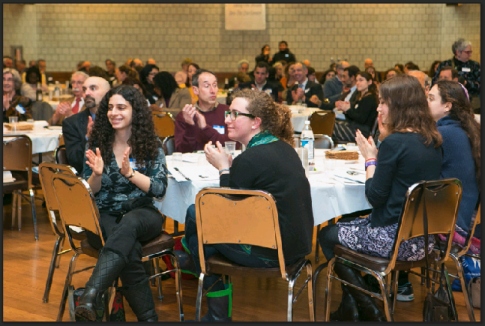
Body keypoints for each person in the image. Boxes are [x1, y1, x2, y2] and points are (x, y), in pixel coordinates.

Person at [180, 88, 314, 322]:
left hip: (271, 253)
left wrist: (224, 168)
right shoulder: (283, 147)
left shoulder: (249, 158)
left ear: (256, 122)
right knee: (205, 240)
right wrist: (232, 169)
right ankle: (193, 261)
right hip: (297, 247)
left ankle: (194, 267)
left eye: (235, 114)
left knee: (197, 216)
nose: (227, 120)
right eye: (228, 113)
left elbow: (224, 212)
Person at [318, 74, 443, 321]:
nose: (378, 107)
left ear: (398, 105)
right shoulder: (432, 139)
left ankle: (369, 307)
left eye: (382, 102)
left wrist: (371, 159)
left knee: (327, 235)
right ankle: (351, 307)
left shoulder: (395, 142)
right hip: (424, 237)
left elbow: (374, 196)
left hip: (394, 239)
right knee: (346, 224)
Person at [74, 85, 167, 322]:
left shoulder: (151, 145)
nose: (114, 112)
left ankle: (91, 293)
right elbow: (89, 192)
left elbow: (158, 189)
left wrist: (130, 173)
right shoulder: (97, 144)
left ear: (136, 112)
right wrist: (95, 174)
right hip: (104, 215)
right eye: (111, 107)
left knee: (130, 223)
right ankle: (148, 318)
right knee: (130, 250)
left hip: (143, 214)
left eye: (122, 107)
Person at [427, 80, 480, 236]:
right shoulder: (467, 129)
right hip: (467, 215)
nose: (426, 102)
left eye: (431, 98)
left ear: (447, 106)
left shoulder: (444, 134)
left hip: (450, 222)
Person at [62, 76, 111, 175]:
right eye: (84, 90)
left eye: (93, 88)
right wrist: (88, 138)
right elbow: (76, 163)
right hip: (89, 179)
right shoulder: (72, 123)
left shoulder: (118, 119)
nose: (86, 93)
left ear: (108, 94)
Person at [174, 69, 231, 153]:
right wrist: (190, 126)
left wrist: (205, 128)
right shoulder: (185, 116)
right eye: (207, 86)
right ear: (195, 90)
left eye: (215, 85)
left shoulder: (227, 111)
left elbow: (234, 144)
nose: (212, 91)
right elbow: (181, 151)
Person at [432, 38, 480, 112]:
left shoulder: (475, 66)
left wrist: (466, 83)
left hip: (470, 103)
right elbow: (434, 83)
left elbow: (480, 85)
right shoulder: (445, 65)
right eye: (467, 52)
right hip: (448, 102)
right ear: (458, 52)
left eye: (471, 52)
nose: (470, 54)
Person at [332, 71, 378, 142]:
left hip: (362, 132)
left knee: (331, 127)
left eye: (361, 80)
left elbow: (361, 119)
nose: (357, 83)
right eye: (357, 80)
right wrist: (345, 110)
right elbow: (352, 118)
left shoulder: (369, 98)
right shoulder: (360, 96)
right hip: (355, 127)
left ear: (369, 82)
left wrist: (348, 110)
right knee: (331, 123)